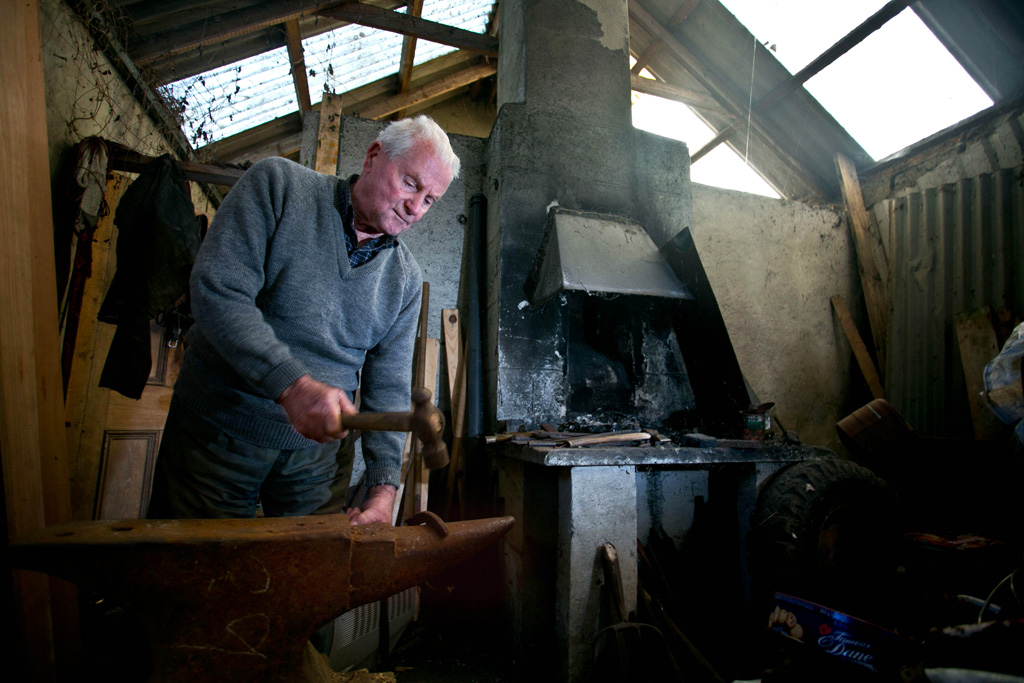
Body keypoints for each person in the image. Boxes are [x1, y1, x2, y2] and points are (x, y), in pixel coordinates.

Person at [147, 115, 460, 525]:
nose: (415, 209)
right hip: (218, 431)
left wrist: (384, 489)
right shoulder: (278, 186)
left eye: (429, 200)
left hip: (318, 460)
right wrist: (292, 385)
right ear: (372, 158)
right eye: (410, 184)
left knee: (312, 574)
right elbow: (218, 291)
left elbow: (389, 389)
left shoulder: (403, 280)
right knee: (194, 571)